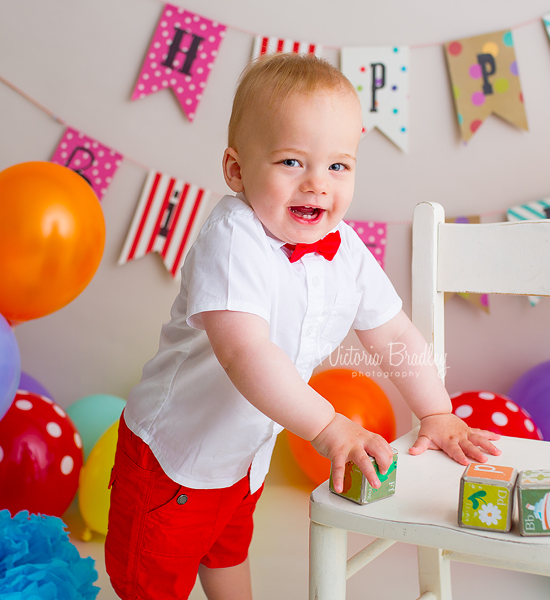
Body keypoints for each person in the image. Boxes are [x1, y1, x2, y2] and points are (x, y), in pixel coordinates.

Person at [105, 52, 501, 600]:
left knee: (227, 550)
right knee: (154, 582)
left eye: (338, 166)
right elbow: (247, 354)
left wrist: (436, 410)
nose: (317, 184)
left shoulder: (347, 251)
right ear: (237, 169)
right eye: (292, 162)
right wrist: (330, 426)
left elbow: (394, 335)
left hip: (243, 456)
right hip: (175, 459)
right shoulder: (232, 237)